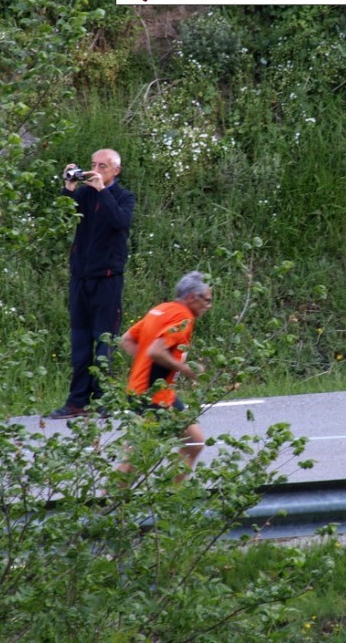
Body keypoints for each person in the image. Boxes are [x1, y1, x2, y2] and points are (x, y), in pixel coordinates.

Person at [48, 149, 136, 419]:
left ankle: (103, 399)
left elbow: (120, 222)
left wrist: (102, 191)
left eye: (103, 166)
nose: (95, 169)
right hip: (80, 278)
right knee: (80, 341)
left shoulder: (123, 197)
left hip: (107, 279)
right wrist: (69, 187)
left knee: (103, 340)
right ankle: (77, 401)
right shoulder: (84, 193)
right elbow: (64, 217)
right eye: (93, 164)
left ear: (115, 171)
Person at [118, 271, 213, 479]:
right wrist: (186, 369)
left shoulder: (160, 310)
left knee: (194, 442)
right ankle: (106, 507)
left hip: (158, 392)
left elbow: (126, 339)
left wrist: (145, 363)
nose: (209, 306)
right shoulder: (183, 317)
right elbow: (156, 351)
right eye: (206, 300)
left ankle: (173, 497)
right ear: (191, 298)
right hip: (151, 396)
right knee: (136, 457)